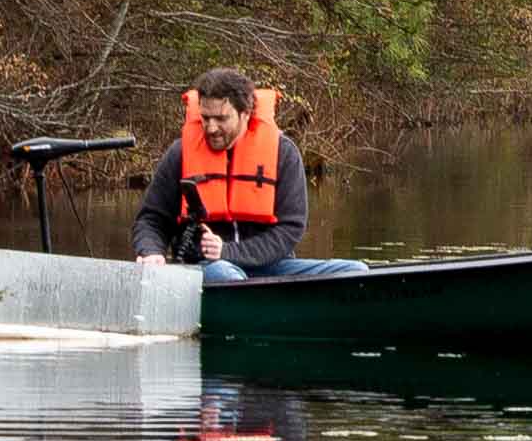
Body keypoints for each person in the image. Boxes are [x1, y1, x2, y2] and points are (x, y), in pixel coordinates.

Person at [126, 69, 370, 285]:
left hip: (271, 267)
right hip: (206, 268)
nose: (211, 128)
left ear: (245, 114)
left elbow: (290, 229)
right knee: (227, 276)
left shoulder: (283, 153)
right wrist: (151, 251)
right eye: (205, 118)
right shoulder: (180, 153)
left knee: (356, 271)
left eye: (221, 119)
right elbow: (151, 219)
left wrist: (230, 251)